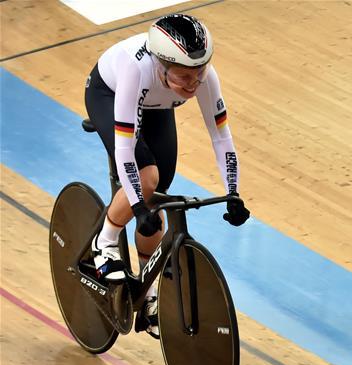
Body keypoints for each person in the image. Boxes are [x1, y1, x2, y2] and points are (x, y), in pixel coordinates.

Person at [84, 13, 250, 337]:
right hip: (109, 94)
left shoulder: (203, 77)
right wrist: (135, 206)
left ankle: (145, 297)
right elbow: (124, 150)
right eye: (183, 77)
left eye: (198, 74)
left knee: (156, 200)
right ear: (161, 65)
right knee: (146, 179)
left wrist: (233, 192)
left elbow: (222, 138)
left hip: (156, 107)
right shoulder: (137, 69)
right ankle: (102, 241)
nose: (193, 84)